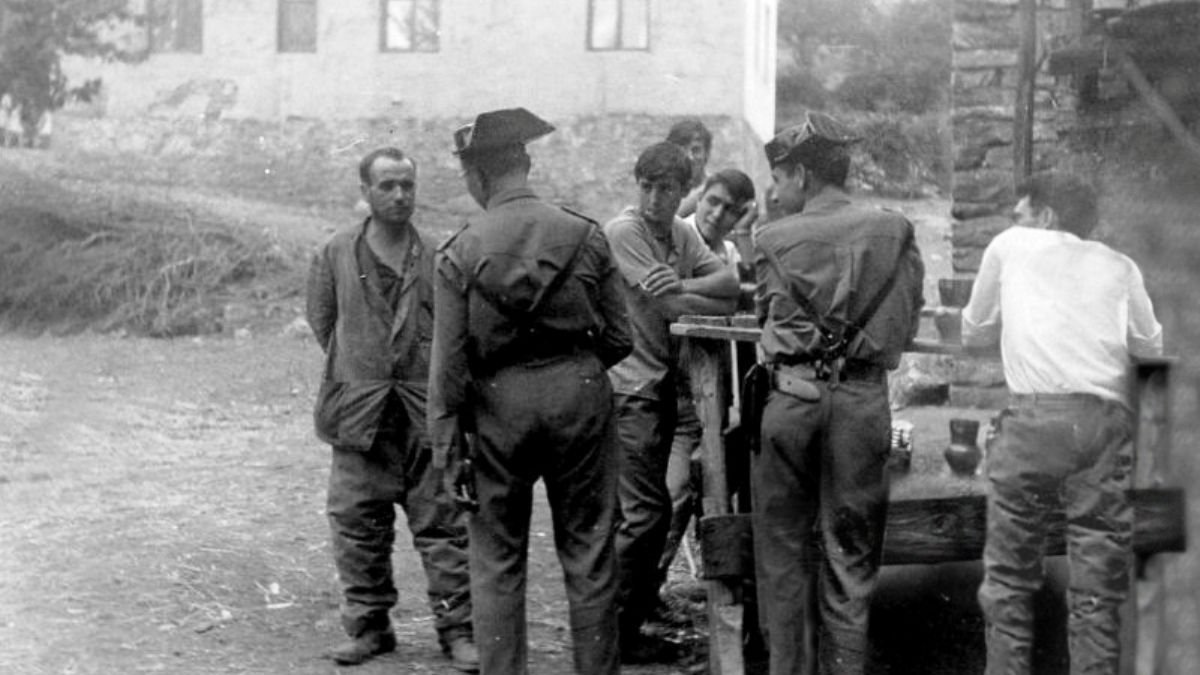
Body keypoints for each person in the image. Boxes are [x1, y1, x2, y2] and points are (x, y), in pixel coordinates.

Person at [427, 107, 632, 675]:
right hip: (580, 398)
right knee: (590, 555)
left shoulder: (459, 250)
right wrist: (574, 368)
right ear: (526, 162)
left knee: (495, 560)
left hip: (498, 409)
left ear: (476, 175)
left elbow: (446, 369)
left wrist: (449, 448)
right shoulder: (585, 233)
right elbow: (620, 337)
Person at [962, 171, 1162, 675]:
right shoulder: (1120, 265)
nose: (1016, 221)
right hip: (1101, 426)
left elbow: (972, 330)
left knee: (1009, 581)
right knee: (1097, 587)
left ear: (1045, 215)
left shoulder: (1010, 245)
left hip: (1032, 423)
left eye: (1022, 211)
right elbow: (1150, 347)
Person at [752, 111, 925, 675]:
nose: (775, 194)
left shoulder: (772, 239)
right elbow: (907, 323)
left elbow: (765, 322)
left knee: (782, 561)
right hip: (861, 406)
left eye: (779, 180)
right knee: (850, 563)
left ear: (802, 174)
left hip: (793, 404)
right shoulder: (896, 230)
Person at [306, 147, 478, 671]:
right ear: (366, 191)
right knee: (357, 525)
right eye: (387, 185)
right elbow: (323, 321)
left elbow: (458, 330)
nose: (400, 195)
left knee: (444, 525)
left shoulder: (439, 252)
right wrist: (365, 368)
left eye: (407, 184)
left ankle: (458, 631)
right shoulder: (336, 252)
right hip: (360, 417)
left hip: (425, 415)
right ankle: (368, 628)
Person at [604, 141, 741, 661]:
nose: (655, 198)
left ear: (683, 192)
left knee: (654, 515)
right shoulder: (626, 231)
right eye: (647, 186)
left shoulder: (681, 232)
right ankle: (608, 635)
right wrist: (686, 292)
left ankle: (628, 632)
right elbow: (665, 308)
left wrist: (685, 281)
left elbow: (730, 287)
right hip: (628, 387)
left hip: (660, 387)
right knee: (643, 515)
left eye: (666, 189)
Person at [657, 168, 757, 586]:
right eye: (713, 201)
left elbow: (746, 294)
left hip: (708, 393)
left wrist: (688, 293)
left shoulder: (732, 254)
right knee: (665, 493)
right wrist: (713, 296)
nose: (717, 213)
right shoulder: (676, 235)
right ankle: (640, 591)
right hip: (662, 380)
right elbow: (665, 303)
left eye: (731, 209)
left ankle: (658, 583)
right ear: (699, 197)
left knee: (693, 490)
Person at [666, 118, 713, 219]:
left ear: (707, 154)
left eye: (696, 150)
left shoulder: (717, 189)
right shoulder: (662, 191)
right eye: (682, 150)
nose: (689, 157)